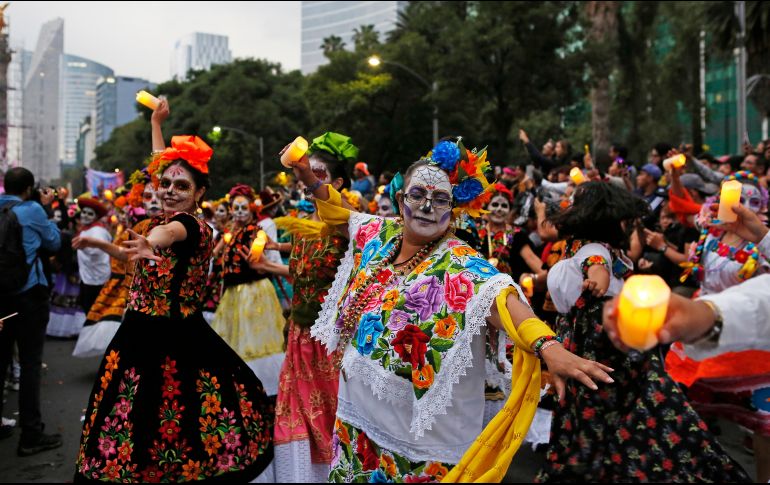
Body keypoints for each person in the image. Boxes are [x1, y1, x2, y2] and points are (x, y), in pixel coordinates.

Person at [293, 138, 613, 483]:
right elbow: (337, 213)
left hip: (417, 446)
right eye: (418, 195)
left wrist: (549, 347)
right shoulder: (379, 234)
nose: (427, 206)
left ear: (453, 208)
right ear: (401, 199)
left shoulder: (461, 265)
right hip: (356, 425)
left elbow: (504, 301)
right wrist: (307, 176)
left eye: (440, 198)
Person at [74, 115, 273, 481]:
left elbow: (168, 234)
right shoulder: (151, 223)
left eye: (181, 185)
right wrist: (156, 122)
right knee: (131, 422)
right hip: (136, 332)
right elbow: (132, 250)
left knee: (172, 421)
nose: (168, 189)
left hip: (174, 338)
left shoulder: (191, 226)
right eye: (164, 183)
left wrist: (152, 242)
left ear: (200, 193)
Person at [534, 180, 749, 482]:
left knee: (601, 421)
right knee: (622, 420)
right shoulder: (595, 249)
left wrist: (596, 283)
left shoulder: (596, 251)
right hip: (597, 344)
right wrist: (534, 280)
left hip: (599, 346)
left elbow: (597, 269)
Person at [254, 132, 358, 482]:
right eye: (304, 173)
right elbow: (303, 273)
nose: (305, 178)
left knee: (330, 420)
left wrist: (305, 173)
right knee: (293, 416)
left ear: (339, 182)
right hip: (299, 338)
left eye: (317, 173)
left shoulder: (350, 221)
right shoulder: (302, 226)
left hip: (332, 343)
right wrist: (268, 265)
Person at [665, 171, 770, 482]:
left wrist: (762, 237)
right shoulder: (710, 232)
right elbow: (682, 206)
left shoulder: (760, 245)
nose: (739, 203)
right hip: (699, 329)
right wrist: (674, 173)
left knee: (765, 424)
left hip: (747, 336)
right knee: (681, 411)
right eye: (732, 196)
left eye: (748, 199)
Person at [0, 167, 63, 455]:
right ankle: (31, 434)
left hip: (0, 299)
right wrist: (46, 210)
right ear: (28, 188)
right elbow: (54, 242)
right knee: (29, 363)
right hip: (27, 297)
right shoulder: (32, 209)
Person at [71, 172, 160, 358]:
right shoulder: (139, 227)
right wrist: (93, 243)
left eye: (158, 195)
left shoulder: (176, 227)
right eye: (147, 196)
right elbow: (123, 254)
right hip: (136, 297)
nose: (153, 201)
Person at [209, 184, 286, 397]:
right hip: (233, 293)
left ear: (252, 209)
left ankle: (261, 387)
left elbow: (258, 258)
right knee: (235, 339)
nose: (240, 212)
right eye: (237, 208)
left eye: (244, 207)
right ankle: (237, 386)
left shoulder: (255, 231)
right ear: (231, 210)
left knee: (255, 337)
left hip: (254, 291)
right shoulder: (230, 233)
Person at [75, 197, 112, 317]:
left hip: (97, 280)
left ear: (96, 217)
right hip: (87, 277)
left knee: (94, 313)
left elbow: (96, 250)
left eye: (90, 214)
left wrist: (81, 246)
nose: (85, 216)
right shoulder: (87, 229)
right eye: (84, 212)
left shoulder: (98, 231)